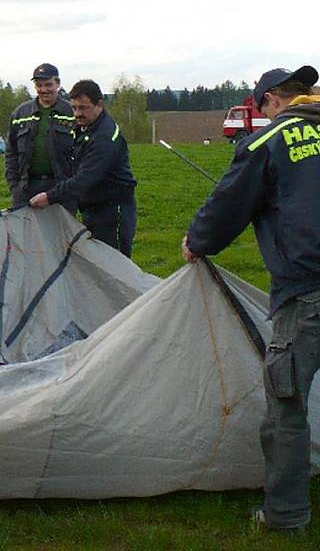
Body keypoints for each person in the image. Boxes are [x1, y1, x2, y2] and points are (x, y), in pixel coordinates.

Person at [182, 65, 320, 533]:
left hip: (306, 294)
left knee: (286, 410)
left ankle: (285, 516)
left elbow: (228, 205)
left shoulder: (267, 142)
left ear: (268, 104)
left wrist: (198, 241)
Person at [30, 80, 137, 257]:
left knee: (115, 264)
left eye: (83, 108)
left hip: (113, 210)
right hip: (93, 207)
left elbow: (85, 178)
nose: (77, 114)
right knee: (98, 263)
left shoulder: (104, 137)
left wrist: (50, 196)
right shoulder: (84, 128)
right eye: (74, 108)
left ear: (99, 105)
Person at [5, 63, 76, 212]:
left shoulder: (72, 113)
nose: (43, 90)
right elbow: (11, 152)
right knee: (25, 234)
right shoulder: (20, 113)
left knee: (60, 234)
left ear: (58, 84)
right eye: (39, 85)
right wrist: (14, 186)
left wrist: (72, 185)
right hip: (26, 188)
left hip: (61, 188)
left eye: (48, 84)